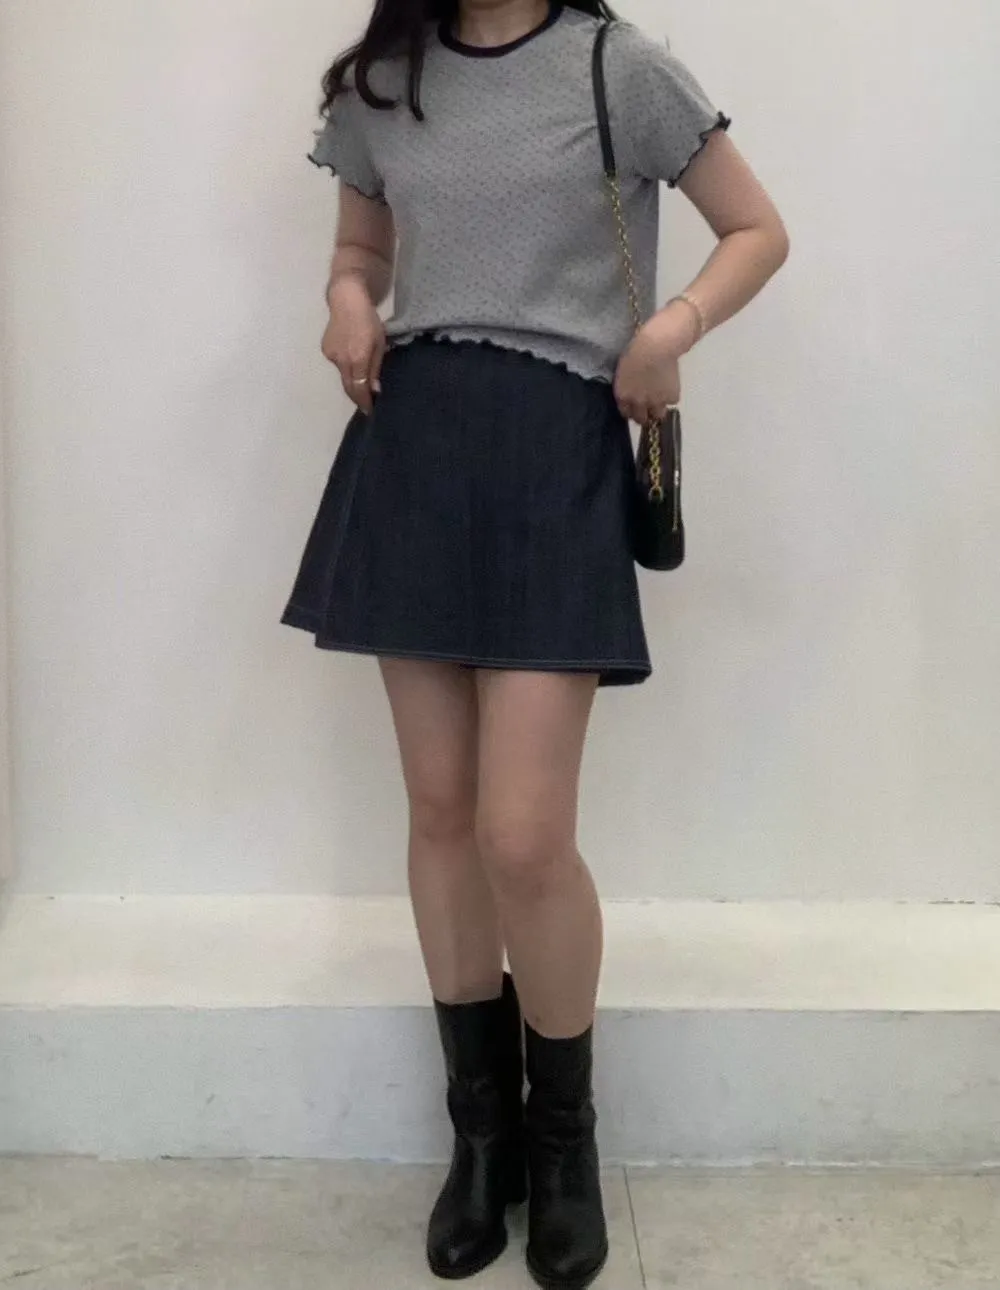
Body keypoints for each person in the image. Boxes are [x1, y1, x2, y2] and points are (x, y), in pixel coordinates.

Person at [283, 2, 788, 1286]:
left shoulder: (619, 68)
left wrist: (669, 329)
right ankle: (484, 1141)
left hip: (557, 444)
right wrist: (346, 300)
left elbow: (757, 229)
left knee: (523, 833)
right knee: (441, 811)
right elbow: (359, 245)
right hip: (414, 443)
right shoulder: (386, 80)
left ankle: (564, 1142)